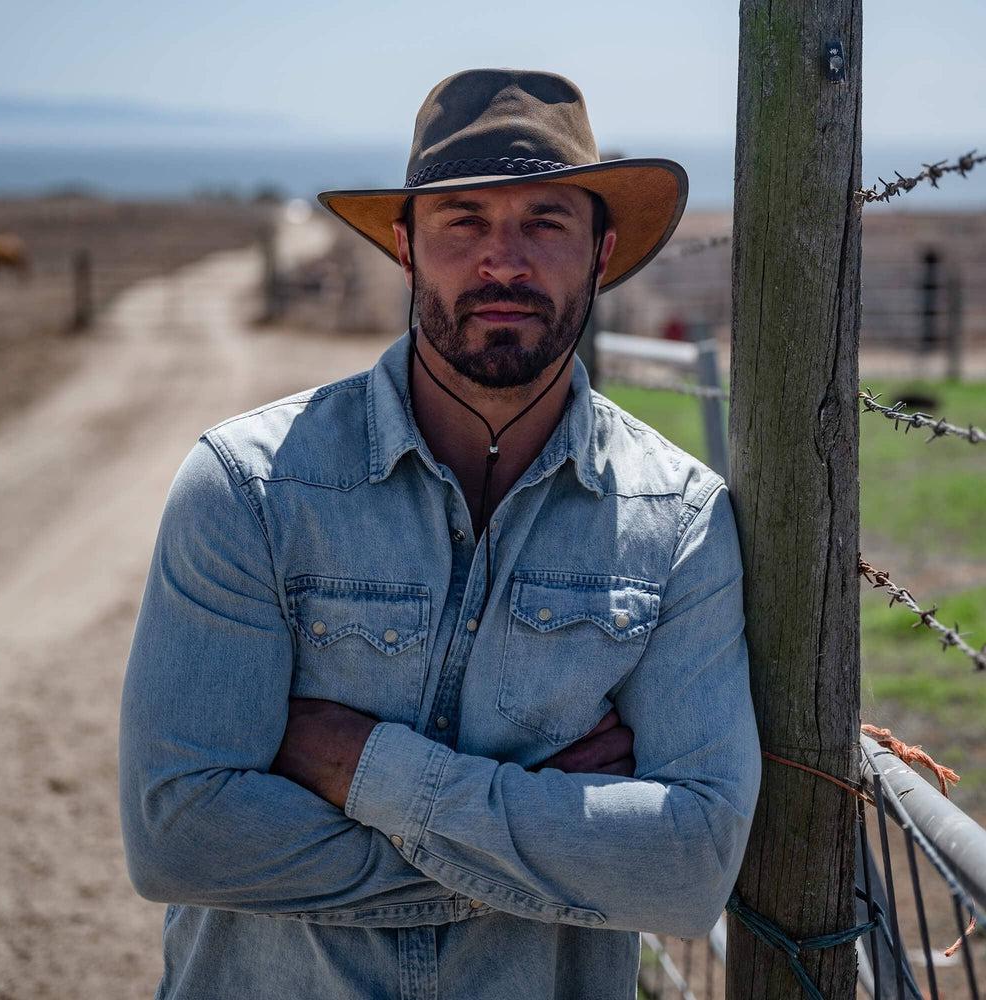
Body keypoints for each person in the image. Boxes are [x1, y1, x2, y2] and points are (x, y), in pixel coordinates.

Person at [119, 68, 761, 1000]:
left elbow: (686, 868)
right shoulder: (250, 488)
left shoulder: (678, 521)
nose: (504, 262)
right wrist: (550, 840)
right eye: (463, 221)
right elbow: (181, 836)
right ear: (405, 246)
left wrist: (368, 771)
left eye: (546, 222)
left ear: (601, 252)